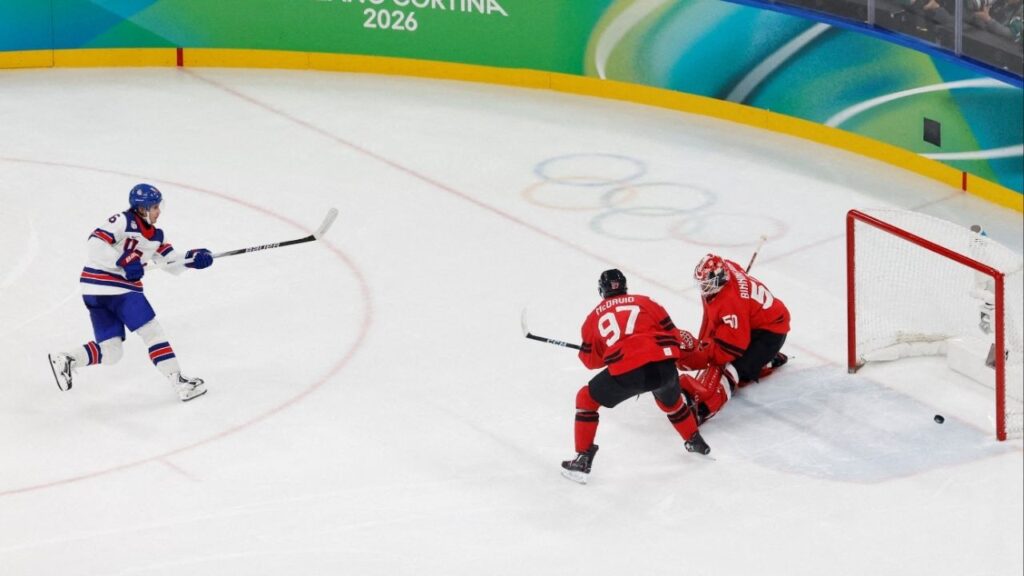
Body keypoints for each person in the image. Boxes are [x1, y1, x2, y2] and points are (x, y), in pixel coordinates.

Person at [48, 184, 215, 402]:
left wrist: (194, 259)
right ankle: (179, 382)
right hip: (115, 288)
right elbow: (95, 243)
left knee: (111, 352)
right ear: (143, 208)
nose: (158, 211)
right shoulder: (122, 220)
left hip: (94, 291)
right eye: (154, 207)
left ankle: (68, 359)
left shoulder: (157, 236)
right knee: (152, 331)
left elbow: (171, 262)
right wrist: (122, 260)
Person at [561, 269, 710, 484]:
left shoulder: (594, 317)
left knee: (586, 398)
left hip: (630, 371)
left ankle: (583, 458)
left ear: (601, 290)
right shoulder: (645, 302)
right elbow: (673, 333)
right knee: (672, 403)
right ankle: (695, 441)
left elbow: (590, 362)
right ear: (625, 287)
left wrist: (608, 352)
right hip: (664, 366)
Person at [676, 254, 791, 424]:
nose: (703, 288)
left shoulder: (730, 302)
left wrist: (703, 356)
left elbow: (731, 348)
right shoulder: (727, 268)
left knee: (730, 370)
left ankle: (703, 410)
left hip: (770, 333)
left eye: (706, 284)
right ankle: (764, 361)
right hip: (756, 323)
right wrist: (704, 346)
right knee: (735, 363)